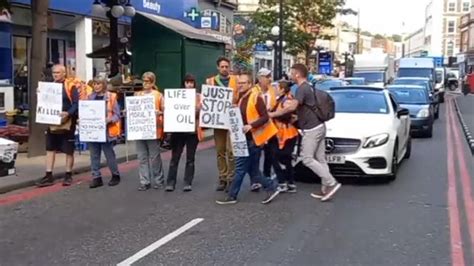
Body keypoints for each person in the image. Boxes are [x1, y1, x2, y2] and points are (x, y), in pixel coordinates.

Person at [270, 64, 341, 202]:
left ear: (297, 74)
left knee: (307, 158)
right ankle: (325, 189)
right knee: (320, 159)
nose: (289, 75)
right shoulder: (308, 87)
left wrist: (272, 114)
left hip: (312, 129)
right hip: (319, 125)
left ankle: (332, 183)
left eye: (291, 72)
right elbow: (303, 110)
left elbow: (291, 108)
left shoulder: (302, 89)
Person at [216, 72, 280, 205]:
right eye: (239, 82)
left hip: (253, 139)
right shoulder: (241, 97)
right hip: (245, 138)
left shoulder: (256, 97)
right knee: (253, 171)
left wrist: (251, 125)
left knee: (240, 168)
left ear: (250, 84)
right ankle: (271, 186)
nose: (239, 85)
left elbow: (265, 117)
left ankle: (232, 196)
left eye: (243, 83)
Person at [36, 64, 79, 187]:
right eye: (54, 72)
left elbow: (76, 104)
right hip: (53, 121)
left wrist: (68, 113)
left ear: (64, 73)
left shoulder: (71, 86)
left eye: (58, 72)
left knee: (68, 150)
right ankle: (48, 175)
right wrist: (40, 93)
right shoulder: (48, 86)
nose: (55, 74)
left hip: (67, 122)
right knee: (50, 148)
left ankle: (68, 175)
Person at [166, 74, 203, 192]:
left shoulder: (198, 97)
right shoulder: (176, 96)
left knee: (190, 158)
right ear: (184, 84)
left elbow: (203, 113)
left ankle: (188, 182)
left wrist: (198, 110)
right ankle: (171, 182)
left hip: (192, 132)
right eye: (187, 82)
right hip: (178, 132)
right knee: (175, 158)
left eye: (192, 83)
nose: (189, 85)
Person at [206, 57, 239, 191]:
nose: (224, 69)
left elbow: (240, 97)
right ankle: (222, 177)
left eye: (226, 66)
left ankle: (231, 178)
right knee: (220, 151)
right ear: (218, 67)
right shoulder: (210, 81)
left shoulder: (236, 81)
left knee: (231, 151)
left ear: (229, 67)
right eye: (222, 67)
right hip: (218, 121)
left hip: (231, 119)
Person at [86, 76, 122, 189]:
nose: (96, 86)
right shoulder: (89, 97)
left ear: (103, 85)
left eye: (98, 84)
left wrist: (109, 120)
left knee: (109, 154)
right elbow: (85, 112)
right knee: (94, 155)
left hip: (106, 131)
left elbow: (117, 114)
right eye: (94, 84)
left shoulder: (111, 97)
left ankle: (115, 175)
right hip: (93, 130)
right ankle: (96, 177)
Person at [134, 72, 165, 191]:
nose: (145, 83)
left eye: (148, 81)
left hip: (153, 130)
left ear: (153, 82)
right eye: (144, 81)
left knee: (154, 157)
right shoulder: (137, 94)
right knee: (141, 157)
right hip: (140, 130)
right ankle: (145, 181)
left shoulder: (158, 95)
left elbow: (165, 110)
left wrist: (160, 112)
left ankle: (159, 180)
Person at [268, 80, 299, 193]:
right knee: (285, 159)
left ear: (282, 89)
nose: (275, 90)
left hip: (286, 133)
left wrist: (272, 114)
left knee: (277, 158)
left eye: (276, 87)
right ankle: (289, 182)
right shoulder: (283, 99)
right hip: (283, 133)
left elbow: (287, 114)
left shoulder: (287, 100)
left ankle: (283, 182)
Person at [254, 68, 277, 182]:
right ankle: (256, 179)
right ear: (260, 78)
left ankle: (267, 175)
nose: (270, 79)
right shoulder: (254, 91)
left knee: (270, 154)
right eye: (267, 77)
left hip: (270, 126)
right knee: (256, 154)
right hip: (257, 126)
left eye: (270, 76)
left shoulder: (273, 90)